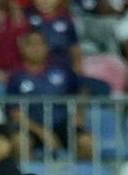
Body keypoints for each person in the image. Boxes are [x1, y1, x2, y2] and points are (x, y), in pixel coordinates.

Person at [6, 30, 93, 160]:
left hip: (63, 124)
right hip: (31, 127)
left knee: (87, 143)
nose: (36, 48)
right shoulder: (16, 77)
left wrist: (79, 113)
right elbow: (14, 112)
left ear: (47, 47)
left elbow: (82, 91)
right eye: (31, 44)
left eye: (40, 44)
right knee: (20, 143)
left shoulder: (62, 70)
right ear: (23, 48)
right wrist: (42, 132)